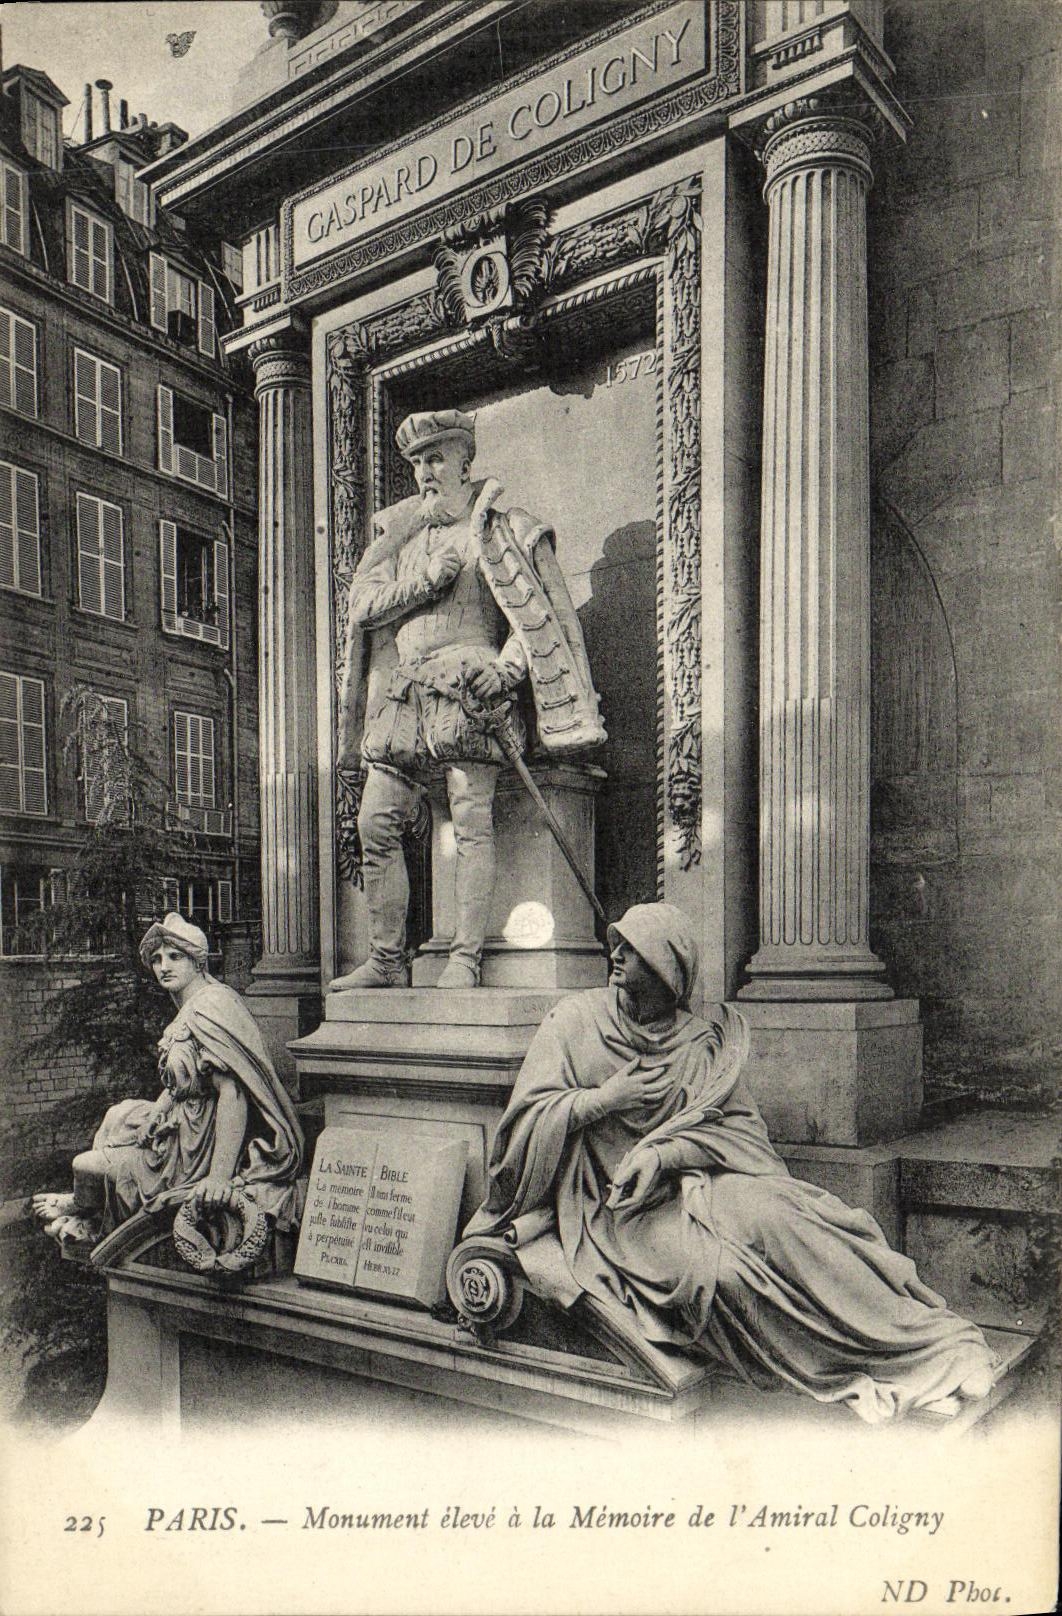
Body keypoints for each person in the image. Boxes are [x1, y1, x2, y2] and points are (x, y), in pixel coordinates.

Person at [464, 902, 999, 1424]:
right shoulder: (575, 1022)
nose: (617, 956)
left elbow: (742, 1133)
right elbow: (521, 1128)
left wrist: (664, 1153)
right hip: (615, 1215)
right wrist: (603, 1100)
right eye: (618, 945)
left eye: (634, 949)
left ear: (667, 972)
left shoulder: (699, 1044)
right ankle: (857, 1366)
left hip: (699, 1183)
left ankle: (930, 1346)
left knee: (791, 1217)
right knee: (723, 1275)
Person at [332, 407, 604, 990]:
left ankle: (466, 957)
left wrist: (506, 673)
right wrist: (428, 578)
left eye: (436, 459)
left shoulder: (498, 528)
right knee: (375, 824)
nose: (425, 472)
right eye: (417, 463)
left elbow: (538, 616)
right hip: (406, 693)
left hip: (469, 687)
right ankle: (385, 961)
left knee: (469, 823)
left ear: (464, 462)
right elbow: (363, 607)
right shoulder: (401, 541)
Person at [32, 912, 304, 1245]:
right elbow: (183, 1082)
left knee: (85, 1165)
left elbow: (233, 1093)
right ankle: (90, 1206)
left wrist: (218, 1177)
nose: (164, 966)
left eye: (175, 956)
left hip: (196, 1144)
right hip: (180, 1123)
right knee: (120, 1115)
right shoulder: (191, 1006)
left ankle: (89, 1211)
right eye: (157, 958)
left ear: (197, 962)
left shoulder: (212, 1008)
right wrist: (159, 1112)